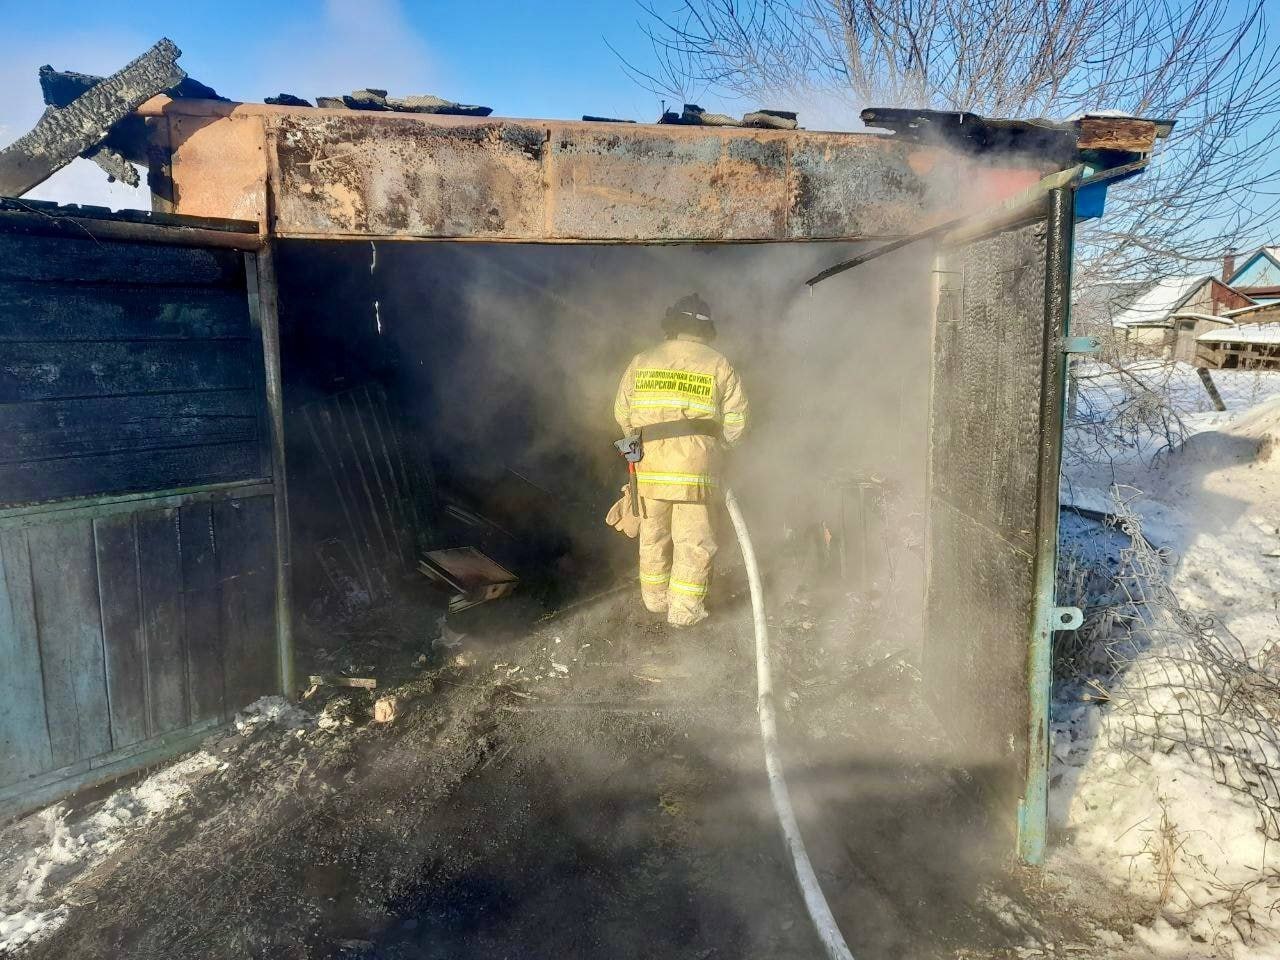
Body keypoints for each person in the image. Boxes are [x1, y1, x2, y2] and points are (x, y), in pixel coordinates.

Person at [613, 294, 749, 626]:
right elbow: (736, 421)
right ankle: (684, 614)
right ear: (708, 329)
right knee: (694, 540)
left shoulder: (643, 360)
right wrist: (720, 448)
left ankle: (655, 601)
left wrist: (636, 447)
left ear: (671, 324)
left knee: (653, 535)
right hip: (696, 469)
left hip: (650, 467)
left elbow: (623, 413)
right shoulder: (718, 364)